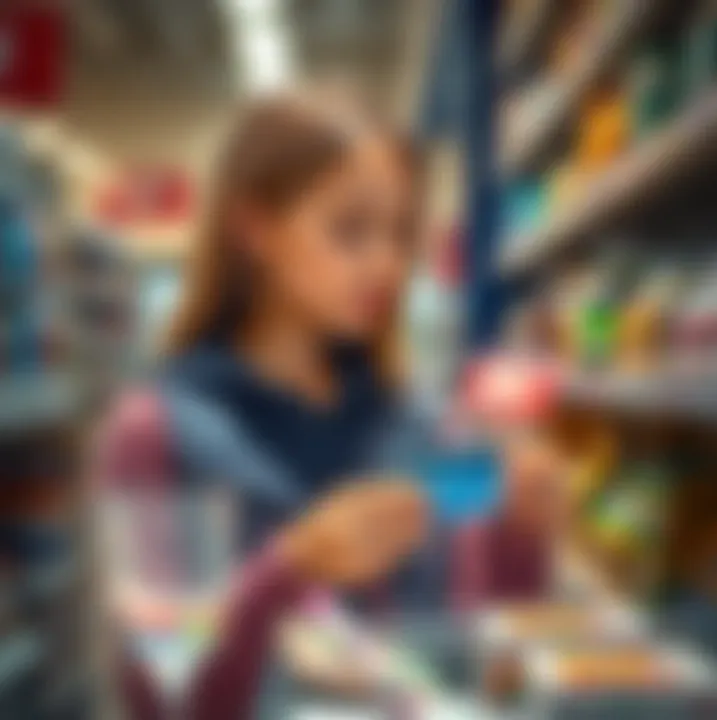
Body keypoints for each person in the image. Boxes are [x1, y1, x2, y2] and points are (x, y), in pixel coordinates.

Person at [98, 90, 428, 557]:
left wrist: (514, 533)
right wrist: (295, 567)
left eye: (401, 233)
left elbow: (453, 613)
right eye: (351, 229)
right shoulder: (155, 434)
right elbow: (157, 626)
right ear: (256, 229)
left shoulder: (407, 419)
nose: (387, 265)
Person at [117, 480, 429, 720]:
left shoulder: (294, 567)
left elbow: (339, 641)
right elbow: (315, 657)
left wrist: (387, 673)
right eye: (391, 555)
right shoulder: (280, 574)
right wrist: (389, 689)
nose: (384, 570)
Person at [450, 431, 569, 610]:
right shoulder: (479, 538)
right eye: (533, 491)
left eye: (549, 492)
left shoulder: (539, 540)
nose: (546, 504)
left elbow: (544, 598)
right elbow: (471, 609)